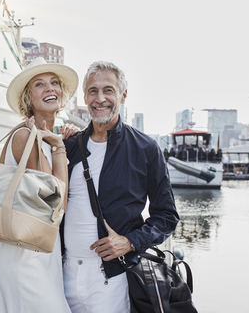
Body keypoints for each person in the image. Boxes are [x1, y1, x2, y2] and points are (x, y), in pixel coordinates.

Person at [62, 61, 179, 312]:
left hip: (111, 278)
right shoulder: (70, 146)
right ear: (84, 96)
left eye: (108, 90)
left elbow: (167, 216)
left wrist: (130, 241)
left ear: (123, 95)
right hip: (63, 274)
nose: (100, 98)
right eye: (93, 91)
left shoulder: (146, 149)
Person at [0, 57, 79, 313]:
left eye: (54, 83)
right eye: (40, 85)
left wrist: (60, 143)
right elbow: (56, 207)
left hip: (40, 256)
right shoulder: (25, 137)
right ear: (28, 98)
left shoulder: (43, 138)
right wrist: (59, 147)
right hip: (25, 260)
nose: (50, 88)